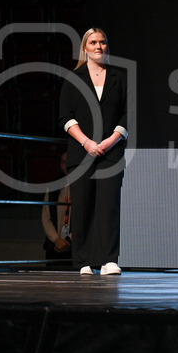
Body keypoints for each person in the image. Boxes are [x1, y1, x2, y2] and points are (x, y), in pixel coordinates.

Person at [58, 28, 130, 276]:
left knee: (108, 207)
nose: (99, 46)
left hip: (111, 153)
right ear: (85, 47)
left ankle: (109, 259)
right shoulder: (73, 77)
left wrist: (110, 141)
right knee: (83, 206)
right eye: (93, 42)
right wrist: (86, 142)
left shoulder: (119, 77)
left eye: (102, 42)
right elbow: (66, 117)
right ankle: (83, 261)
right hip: (82, 153)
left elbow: (127, 115)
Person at [41, 151, 72, 265]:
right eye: (63, 162)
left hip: (74, 245)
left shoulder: (83, 186)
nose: (66, 166)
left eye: (68, 162)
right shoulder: (54, 186)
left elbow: (85, 217)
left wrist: (69, 240)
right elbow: (46, 217)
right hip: (54, 246)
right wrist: (56, 240)